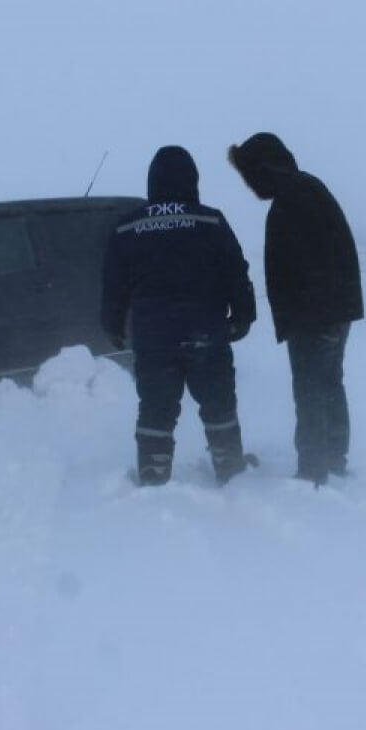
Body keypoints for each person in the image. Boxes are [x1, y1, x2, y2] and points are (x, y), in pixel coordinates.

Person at [101, 145, 257, 486]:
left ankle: (153, 473)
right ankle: (230, 469)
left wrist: (112, 324)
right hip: (205, 329)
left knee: (156, 405)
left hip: (154, 334)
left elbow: (114, 282)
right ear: (192, 180)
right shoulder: (210, 220)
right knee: (217, 401)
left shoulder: (127, 228)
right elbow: (235, 271)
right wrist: (244, 314)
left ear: (152, 181)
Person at [228, 133, 363, 485]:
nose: (249, 185)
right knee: (329, 383)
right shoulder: (306, 188)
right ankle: (333, 457)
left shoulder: (293, 199)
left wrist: (305, 314)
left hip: (315, 314)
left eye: (249, 176)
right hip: (332, 310)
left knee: (311, 389)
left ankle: (313, 469)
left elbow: (303, 265)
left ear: (264, 169)